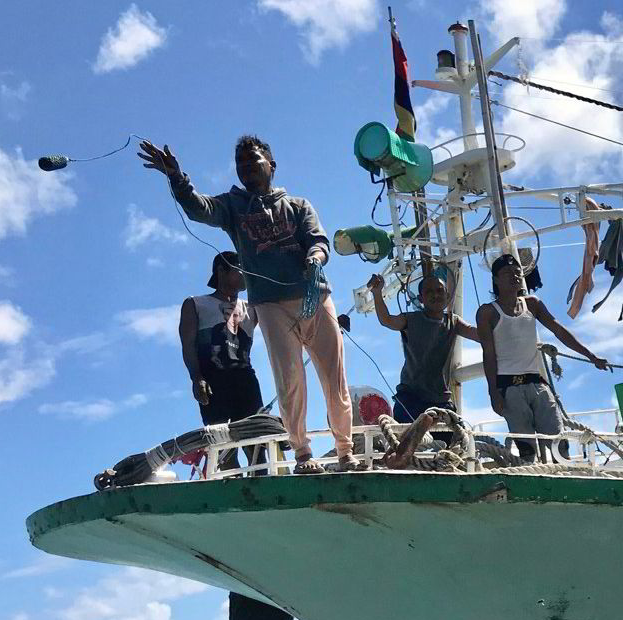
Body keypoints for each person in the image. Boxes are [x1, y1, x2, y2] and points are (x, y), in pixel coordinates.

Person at [139, 135, 354, 473]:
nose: (247, 169)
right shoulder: (233, 207)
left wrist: (315, 257)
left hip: (315, 297)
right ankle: (303, 454)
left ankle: (345, 450)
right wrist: (176, 178)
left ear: (272, 164)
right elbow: (199, 208)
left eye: (253, 161)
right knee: (290, 379)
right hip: (269, 304)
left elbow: (318, 240)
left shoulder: (298, 205)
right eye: (241, 164)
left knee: (334, 377)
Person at [477, 253, 610, 462]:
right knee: (526, 450)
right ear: (495, 279)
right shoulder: (486, 313)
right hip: (509, 389)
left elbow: (559, 330)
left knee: (559, 442)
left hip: (538, 384)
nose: (514, 276)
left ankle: (566, 481)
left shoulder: (533, 304)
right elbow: (488, 354)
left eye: (516, 272)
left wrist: (591, 356)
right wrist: (493, 392)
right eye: (506, 273)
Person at [367, 271, 479, 442]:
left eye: (439, 290)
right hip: (410, 399)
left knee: (452, 447)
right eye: (429, 292)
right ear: (420, 298)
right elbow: (387, 320)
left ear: (447, 295)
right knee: (405, 449)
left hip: (441, 401)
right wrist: (377, 293)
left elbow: (479, 334)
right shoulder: (410, 319)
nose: (435, 295)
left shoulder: (454, 322)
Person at [179, 251, 262, 472]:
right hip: (213, 379)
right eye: (239, 269)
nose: (245, 274)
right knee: (222, 444)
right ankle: (231, 485)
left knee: (257, 441)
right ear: (222, 271)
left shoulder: (253, 308)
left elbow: (285, 322)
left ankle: (262, 483)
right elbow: (188, 345)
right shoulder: (195, 304)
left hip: (245, 377)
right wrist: (197, 378)